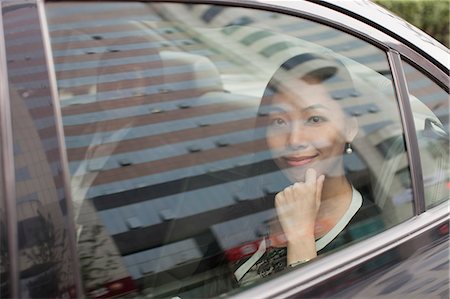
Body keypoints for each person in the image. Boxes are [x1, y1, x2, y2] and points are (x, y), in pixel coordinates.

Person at [232, 53, 384, 285]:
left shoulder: (371, 237)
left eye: (314, 119)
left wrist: (301, 238)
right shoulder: (254, 197)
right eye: (279, 121)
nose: (294, 139)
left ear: (349, 128)